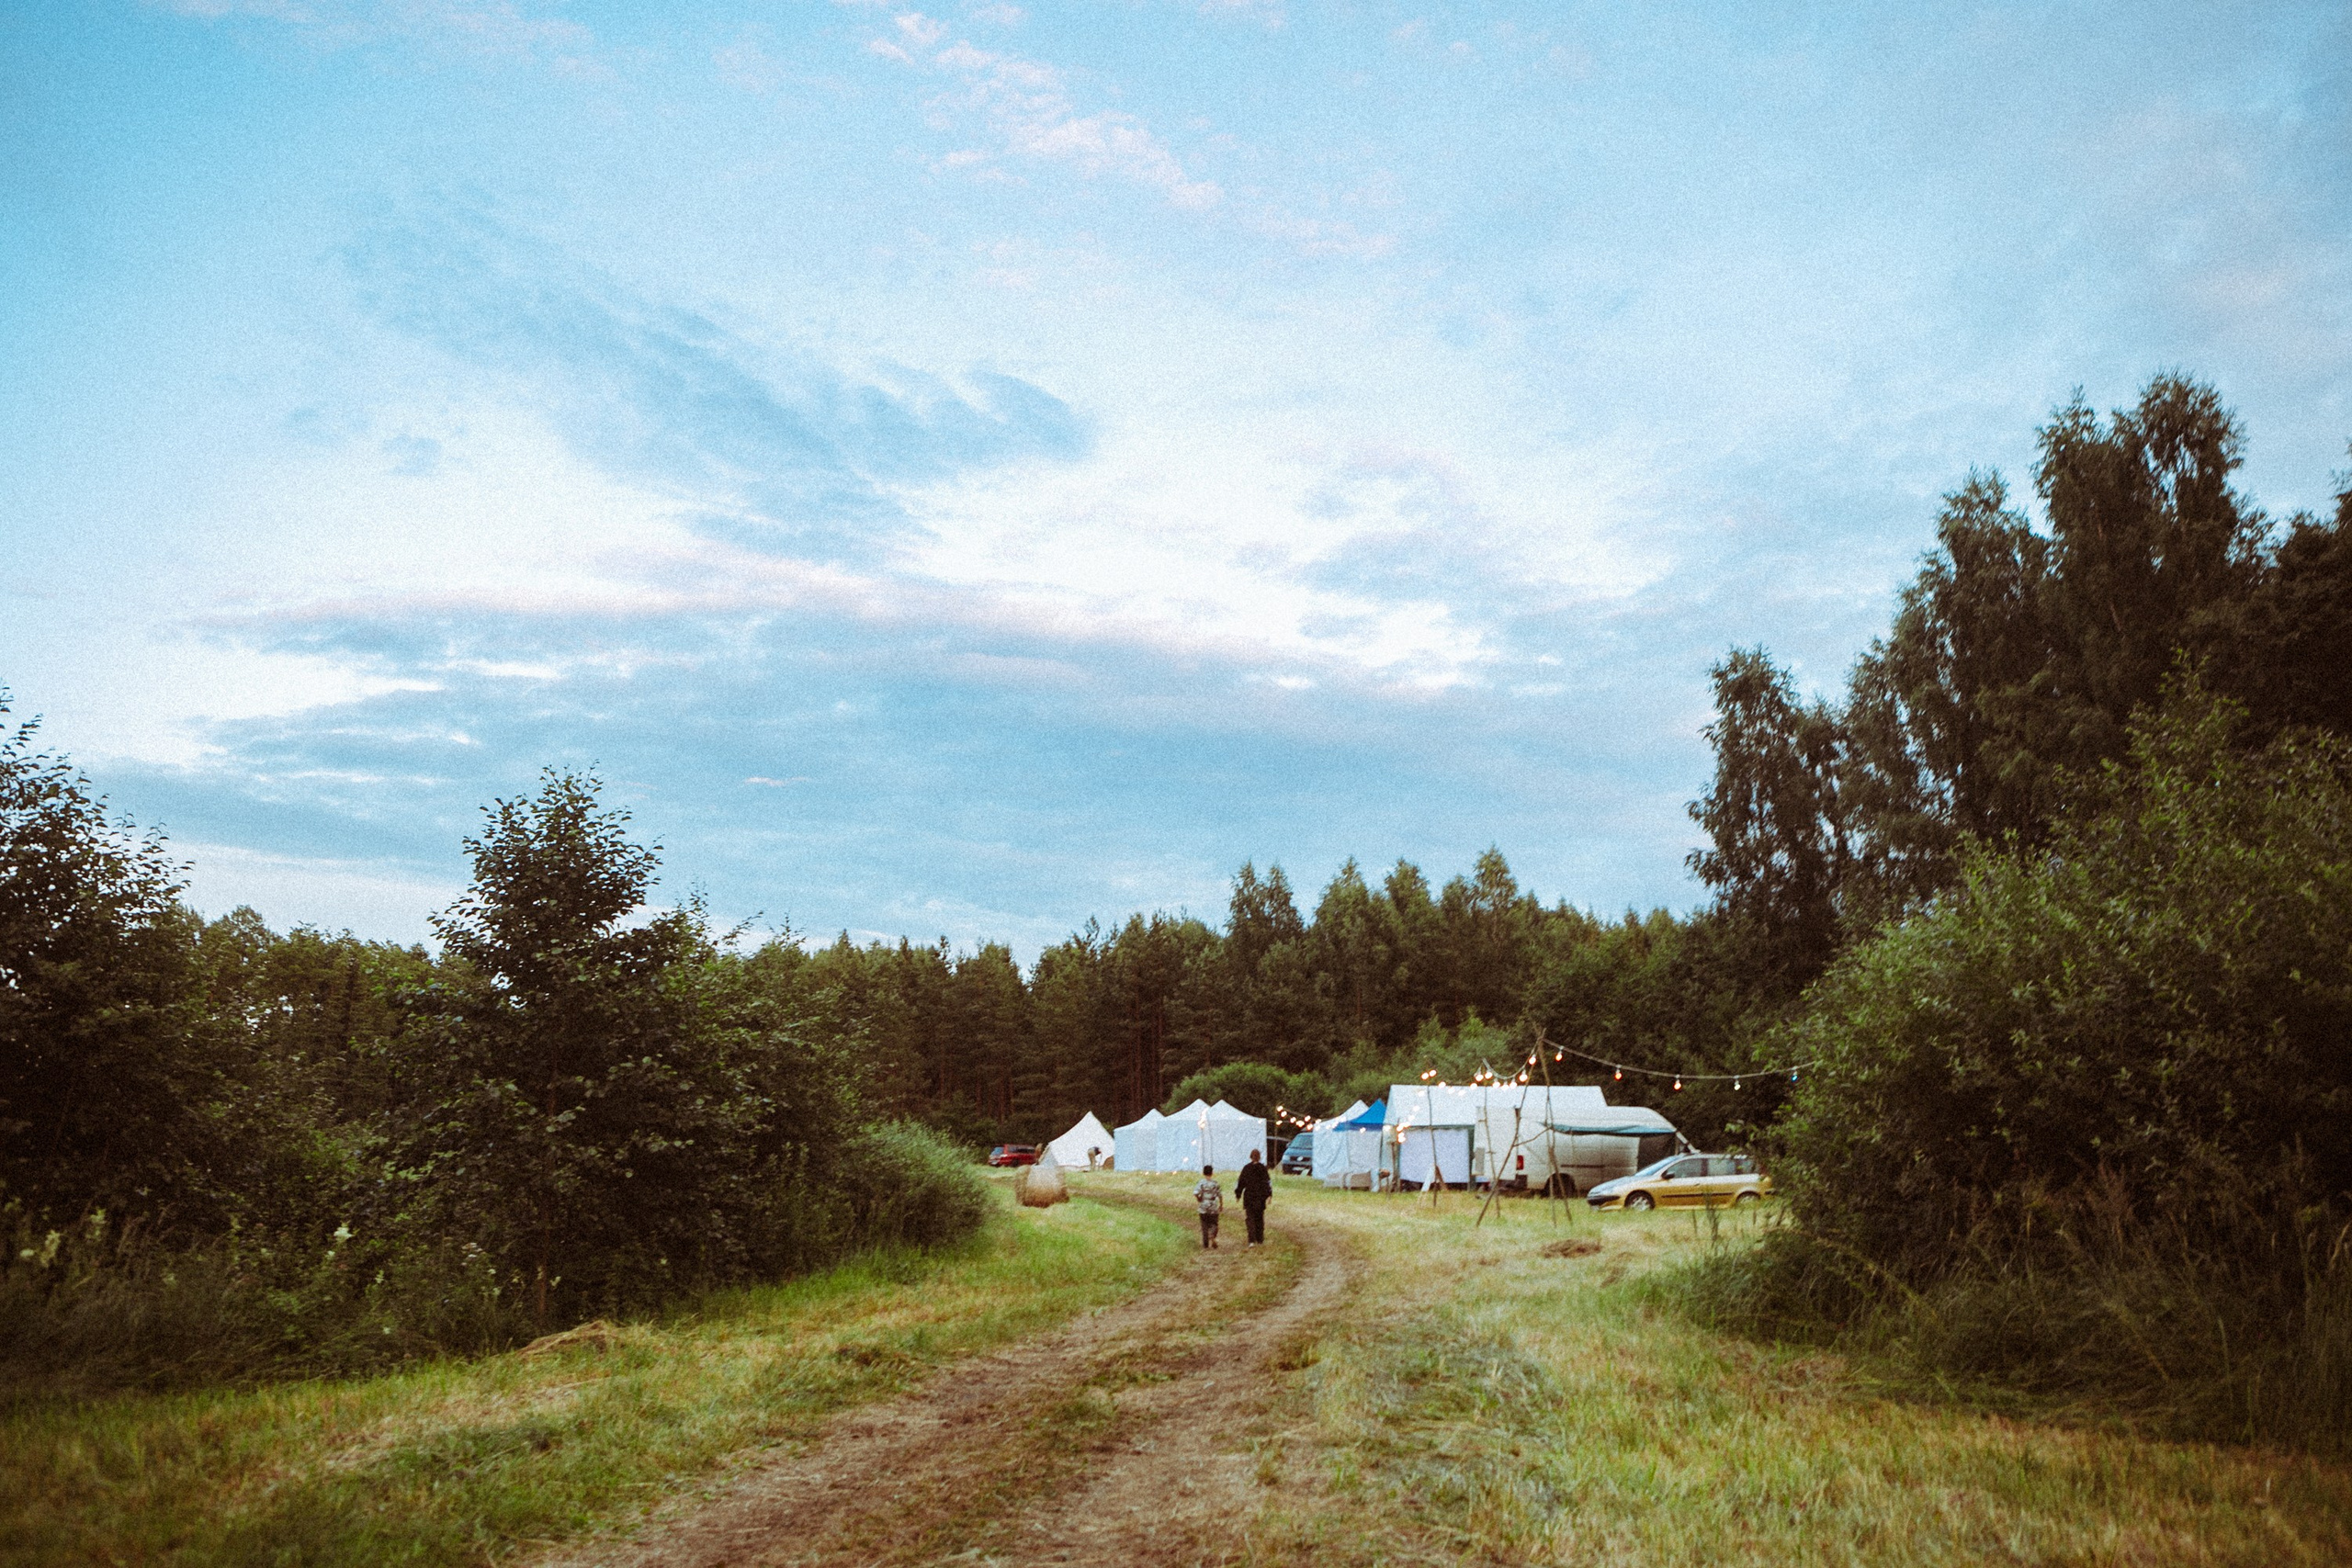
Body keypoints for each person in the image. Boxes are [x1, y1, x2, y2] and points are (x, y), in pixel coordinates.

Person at [1235, 1148, 1272, 1247]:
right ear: (1259, 1157)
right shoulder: (1263, 1168)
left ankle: (1251, 1240)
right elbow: (1267, 1183)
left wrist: (1238, 1194)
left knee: (1250, 1218)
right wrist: (1269, 1195)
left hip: (1249, 1197)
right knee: (1259, 1218)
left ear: (1251, 1157)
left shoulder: (1246, 1168)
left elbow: (1241, 1182)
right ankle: (1260, 1239)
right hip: (1260, 1197)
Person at [1193, 1164, 1223, 1249]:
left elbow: (1196, 1193)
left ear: (1203, 1173)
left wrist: (1199, 1198)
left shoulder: (1201, 1183)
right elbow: (1220, 1195)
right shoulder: (1215, 1183)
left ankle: (1206, 1244)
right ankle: (1212, 1234)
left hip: (1203, 1206)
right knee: (1214, 1223)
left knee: (1204, 1225)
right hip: (1213, 1206)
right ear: (1212, 1173)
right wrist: (1221, 1205)